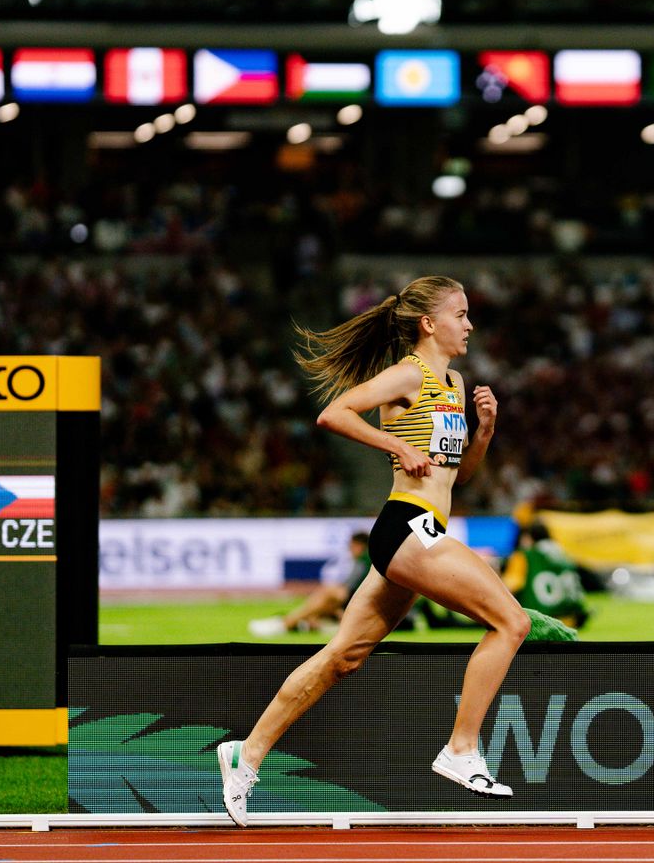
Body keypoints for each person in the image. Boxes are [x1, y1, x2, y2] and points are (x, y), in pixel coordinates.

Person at [216, 276, 529, 822]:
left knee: (343, 656)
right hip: (406, 525)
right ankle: (461, 749)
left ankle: (247, 752)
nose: (470, 324)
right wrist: (394, 444)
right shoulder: (408, 373)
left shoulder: (453, 383)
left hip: (422, 528)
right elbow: (334, 413)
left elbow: (458, 479)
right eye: (461, 313)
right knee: (511, 622)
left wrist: (483, 433)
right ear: (430, 324)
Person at [247, 531, 375, 637]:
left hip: (359, 606)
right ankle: (296, 623)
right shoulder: (366, 560)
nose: (349, 550)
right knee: (328, 597)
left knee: (332, 592)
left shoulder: (364, 560)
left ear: (359, 546)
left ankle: (285, 623)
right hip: (356, 605)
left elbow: (346, 590)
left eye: (351, 546)